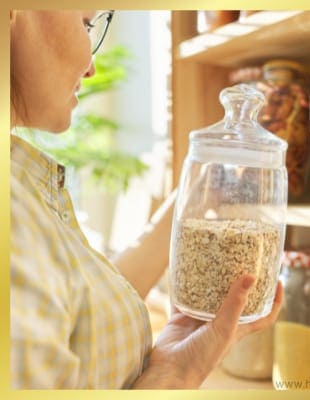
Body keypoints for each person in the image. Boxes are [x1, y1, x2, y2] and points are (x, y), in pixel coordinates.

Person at [10, 10, 283, 389]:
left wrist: (177, 369)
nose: (91, 66)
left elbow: (85, 313)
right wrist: (180, 375)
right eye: (87, 23)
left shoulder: (20, 178)